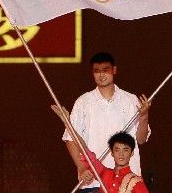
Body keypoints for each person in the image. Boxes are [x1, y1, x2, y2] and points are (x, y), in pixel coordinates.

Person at [62, 52, 151, 192]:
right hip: (93, 181)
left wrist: (144, 116)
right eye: (97, 71)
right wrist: (81, 167)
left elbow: (141, 139)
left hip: (126, 183)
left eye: (105, 70)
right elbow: (70, 138)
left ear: (114, 70)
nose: (101, 75)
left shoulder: (130, 100)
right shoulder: (83, 102)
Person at [78, 131, 149, 193]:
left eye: (125, 150)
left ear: (132, 153)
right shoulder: (104, 173)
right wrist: (68, 123)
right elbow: (84, 149)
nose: (121, 154)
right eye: (117, 150)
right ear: (112, 153)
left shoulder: (136, 182)